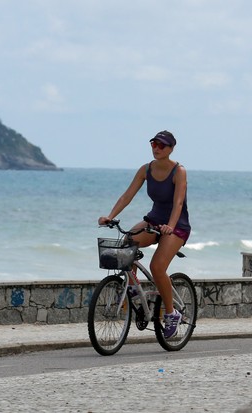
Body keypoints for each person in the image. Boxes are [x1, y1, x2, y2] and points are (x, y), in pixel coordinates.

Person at [98, 130, 191, 338]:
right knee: (127, 242)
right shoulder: (146, 169)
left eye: (162, 145)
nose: (156, 148)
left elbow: (178, 203)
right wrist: (110, 216)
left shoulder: (179, 171)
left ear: (171, 148)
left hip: (176, 226)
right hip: (154, 220)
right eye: (154, 144)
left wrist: (170, 226)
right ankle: (133, 289)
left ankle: (171, 313)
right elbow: (127, 195)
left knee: (157, 267)